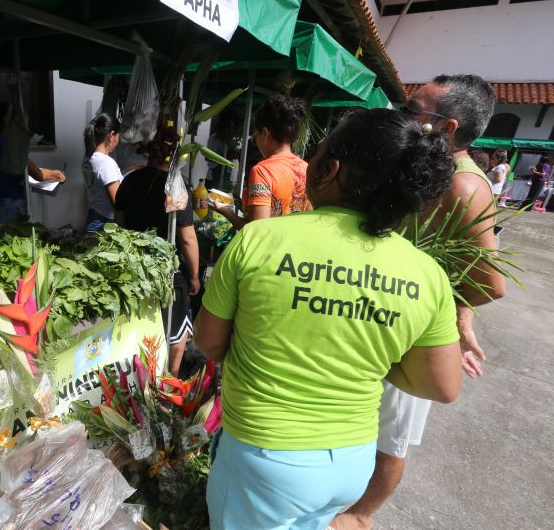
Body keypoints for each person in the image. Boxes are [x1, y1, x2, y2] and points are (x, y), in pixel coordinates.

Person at [194, 108, 462, 530]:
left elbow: (208, 343)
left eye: (316, 153)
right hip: (353, 461)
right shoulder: (426, 273)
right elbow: (443, 385)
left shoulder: (259, 239)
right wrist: (363, 358)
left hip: (266, 459)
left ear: (329, 169)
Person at [333, 74, 505, 530]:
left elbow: (488, 280)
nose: (401, 116)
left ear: (447, 128)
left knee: (391, 435)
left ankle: (359, 516)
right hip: (386, 316)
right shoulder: (430, 167)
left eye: (412, 110)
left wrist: (451, 313)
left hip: (409, 326)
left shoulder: (464, 187)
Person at [115, 128, 200, 375]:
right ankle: (171, 378)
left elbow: (118, 225)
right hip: (167, 272)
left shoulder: (129, 181)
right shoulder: (175, 186)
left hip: (132, 269)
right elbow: (188, 239)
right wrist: (194, 276)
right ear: (175, 155)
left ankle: (140, 375)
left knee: (138, 323)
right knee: (176, 325)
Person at [211, 95, 309, 229]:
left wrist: (226, 212)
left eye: (255, 135)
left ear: (265, 133)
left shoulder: (263, 171)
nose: (255, 140)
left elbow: (257, 229)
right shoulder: (306, 168)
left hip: (270, 249)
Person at [0, 102, 66, 228]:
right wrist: (58, 175)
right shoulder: (7, 145)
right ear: (10, 122)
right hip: (8, 207)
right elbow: (39, 175)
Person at [82, 113, 124, 233]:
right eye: (118, 136)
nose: (118, 140)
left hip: (94, 216)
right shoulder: (106, 163)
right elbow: (118, 202)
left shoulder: (87, 158)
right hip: (105, 223)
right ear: (111, 135)